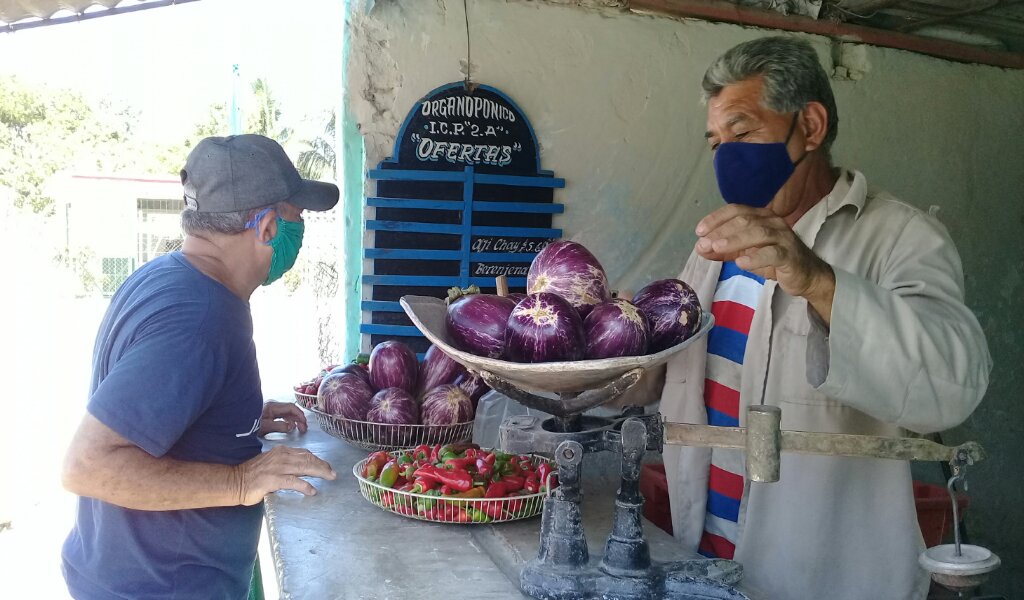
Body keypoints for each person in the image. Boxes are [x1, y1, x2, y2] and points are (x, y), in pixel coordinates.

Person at [649, 36, 991, 599]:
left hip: (826, 577)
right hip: (706, 565)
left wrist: (816, 280)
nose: (726, 156)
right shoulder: (714, 251)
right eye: (715, 142)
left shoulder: (900, 238)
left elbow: (951, 388)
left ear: (809, 126)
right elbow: (672, 376)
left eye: (743, 132)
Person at [61, 134, 340, 599]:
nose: (300, 228)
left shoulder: (168, 274)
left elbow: (159, 400)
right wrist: (239, 480)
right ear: (267, 227)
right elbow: (88, 466)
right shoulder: (201, 318)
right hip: (159, 589)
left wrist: (232, 416)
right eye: (298, 216)